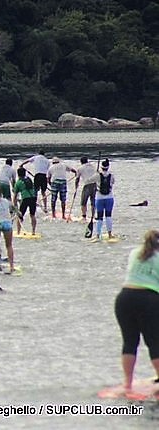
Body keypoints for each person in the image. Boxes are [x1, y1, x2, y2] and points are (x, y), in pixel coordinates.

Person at [114, 230, 159, 390]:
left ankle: (127, 383)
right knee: (154, 342)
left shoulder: (135, 253)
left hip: (124, 298)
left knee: (129, 342)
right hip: (148, 299)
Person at [89, 158, 115, 241]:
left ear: (101, 167)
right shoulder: (111, 175)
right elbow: (113, 182)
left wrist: (96, 173)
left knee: (99, 217)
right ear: (108, 167)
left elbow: (89, 180)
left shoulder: (97, 175)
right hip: (109, 198)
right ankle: (110, 234)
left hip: (99, 198)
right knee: (108, 216)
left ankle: (97, 235)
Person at [13, 167, 37, 235]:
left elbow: (15, 195)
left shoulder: (18, 183)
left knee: (20, 216)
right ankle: (33, 231)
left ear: (18, 174)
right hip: (33, 198)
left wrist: (14, 205)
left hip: (25, 199)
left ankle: (18, 232)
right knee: (32, 215)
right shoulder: (29, 180)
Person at [75, 156, 97, 222]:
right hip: (94, 185)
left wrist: (76, 187)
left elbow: (77, 179)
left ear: (81, 162)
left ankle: (84, 216)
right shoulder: (93, 167)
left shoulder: (80, 168)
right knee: (93, 202)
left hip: (87, 185)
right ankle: (93, 216)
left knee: (83, 202)